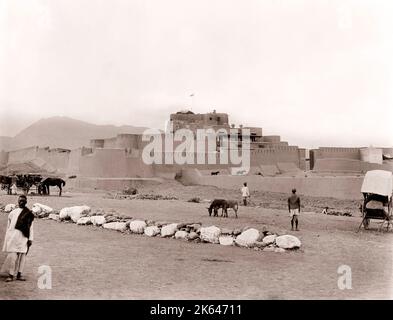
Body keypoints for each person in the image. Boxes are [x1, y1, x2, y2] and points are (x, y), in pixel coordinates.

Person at [1, 195, 34, 282]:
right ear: (17, 202)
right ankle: (11, 275)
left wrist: (30, 239)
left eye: (23, 201)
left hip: (24, 238)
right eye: (20, 201)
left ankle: (19, 274)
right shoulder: (12, 213)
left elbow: (31, 227)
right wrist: (8, 239)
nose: (21, 202)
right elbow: (9, 228)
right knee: (13, 257)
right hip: (13, 238)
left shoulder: (29, 214)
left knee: (22, 257)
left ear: (26, 202)